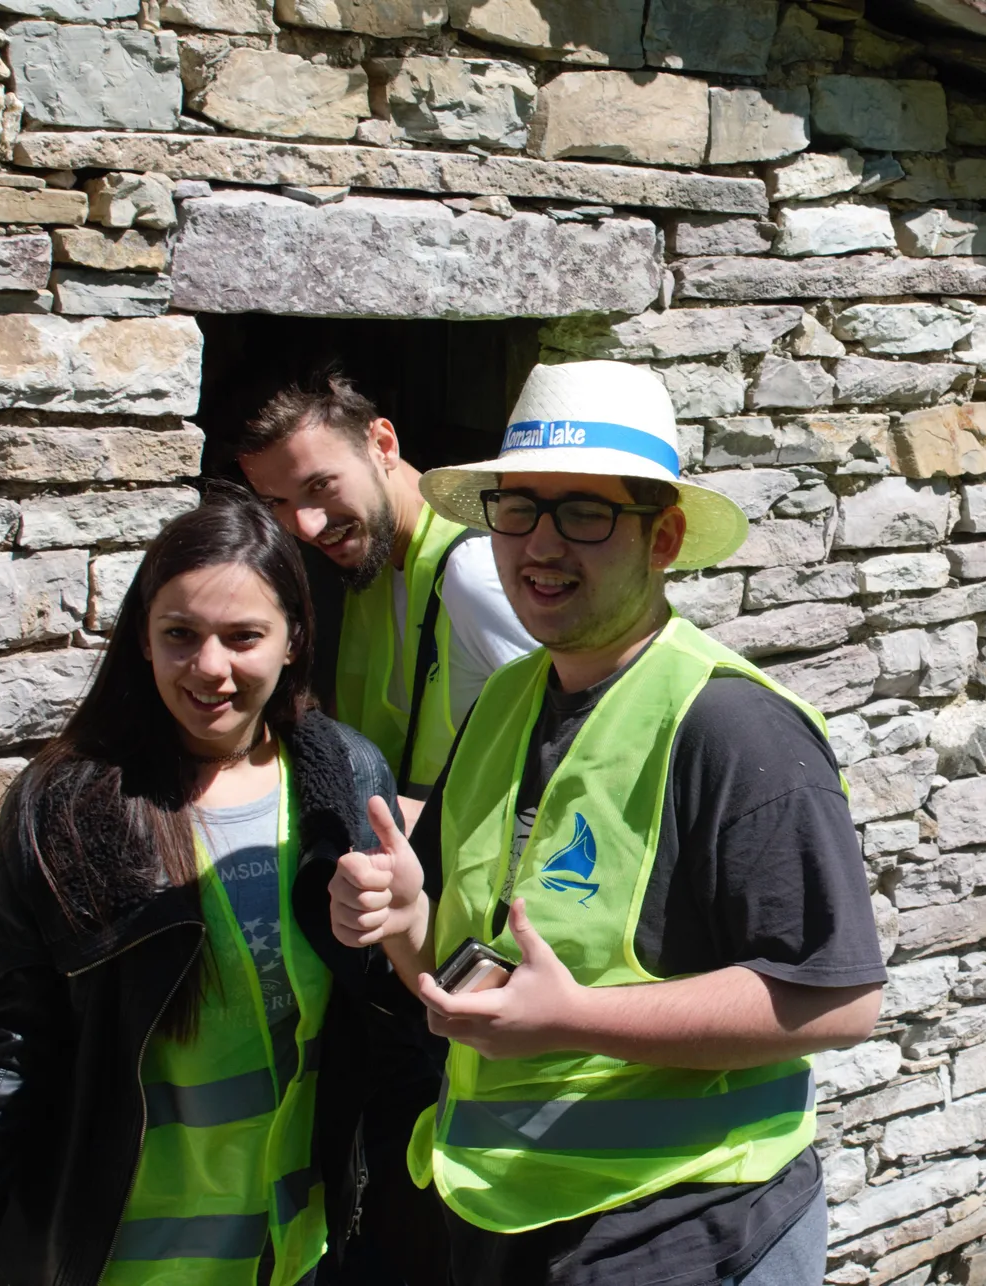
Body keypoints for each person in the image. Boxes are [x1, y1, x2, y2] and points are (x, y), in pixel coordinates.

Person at [329, 360, 887, 1286]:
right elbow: (473, 965)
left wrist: (575, 1019)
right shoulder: (508, 698)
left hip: (690, 1234)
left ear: (663, 538)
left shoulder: (734, 727)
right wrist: (402, 922)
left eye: (585, 513)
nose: (540, 546)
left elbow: (838, 998)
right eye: (520, 509)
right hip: (497, 1221)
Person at [0, 490, 430, 1284]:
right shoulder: (69, 811)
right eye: (180, 636)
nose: (209, 668)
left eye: (243, 636)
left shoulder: (344, 779)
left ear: (292, 641)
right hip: (120, 1256)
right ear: (142, 643)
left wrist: (411, 919)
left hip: (295, 1251)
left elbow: (388, 1024)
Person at [232, 370, 537, 817]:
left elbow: (579, 742)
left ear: (383, 446)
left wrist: (432, 826)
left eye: (320, 486)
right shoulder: (373, 565)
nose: (306, 527)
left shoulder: (474, 570)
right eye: (277, 503)